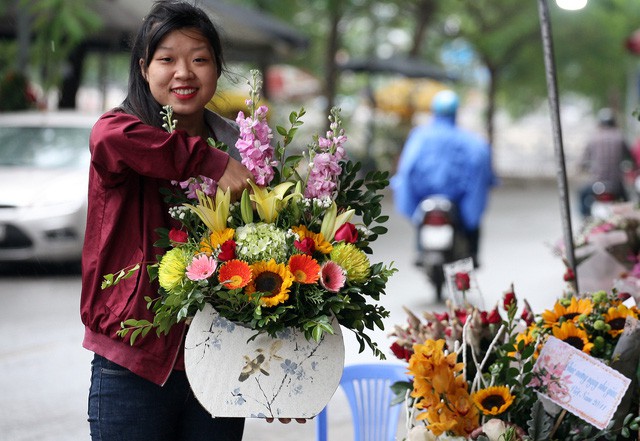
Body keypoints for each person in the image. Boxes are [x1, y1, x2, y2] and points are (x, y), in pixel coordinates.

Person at [80, 2, 254, 440]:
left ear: (217, 67)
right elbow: (106, 139)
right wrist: (205, 161)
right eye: (167, 59)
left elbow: (273, 256)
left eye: (199, 59)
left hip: (219, 361)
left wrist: (283, 371)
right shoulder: (121, 132)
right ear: (144, 68)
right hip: (131, 360)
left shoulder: (243, 148)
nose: (184, 73)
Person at [391, 89, 496, 266]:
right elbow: (481, 164)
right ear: (456, 112)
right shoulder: (470, 140)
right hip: (457, 200)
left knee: (420, 217)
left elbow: (407, 167)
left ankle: (419, 251)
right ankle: (473, 255)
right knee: (471, 226)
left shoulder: (420, 137)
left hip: (425, 199)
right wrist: (490, 180)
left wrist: (399, 182)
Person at [578, 108, 633, 218]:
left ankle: (585, 218)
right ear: (614, 122)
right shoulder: (620, 137)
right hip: (616, 184)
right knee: (627, 203)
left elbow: (582, 161)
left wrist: (581, 168)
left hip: (596, 183)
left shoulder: (593, 138)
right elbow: (630, 158)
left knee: (582, 195)